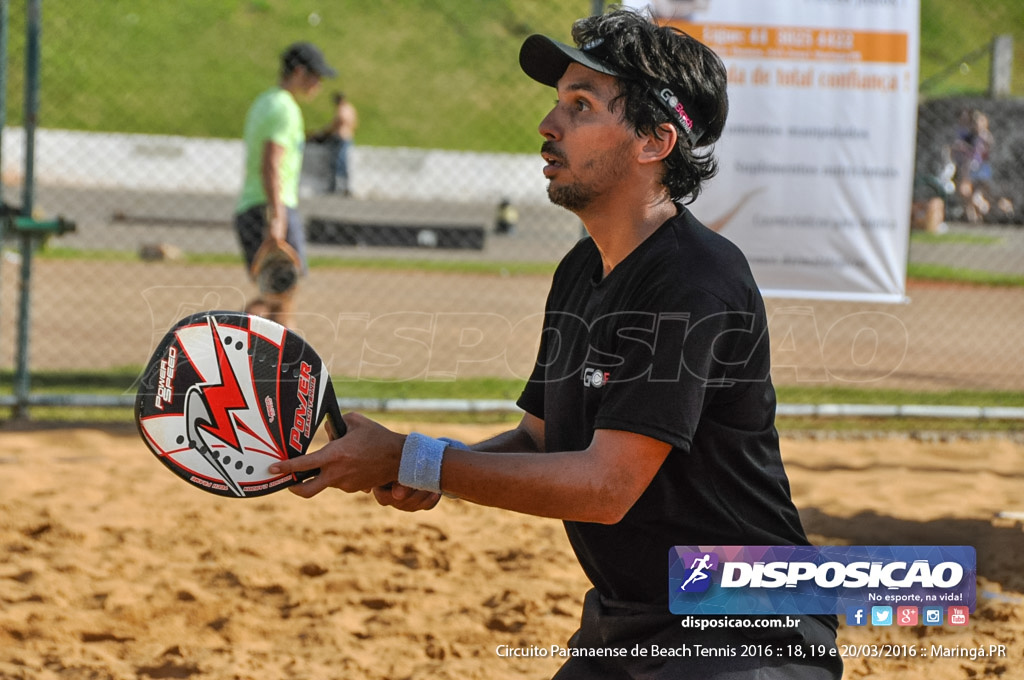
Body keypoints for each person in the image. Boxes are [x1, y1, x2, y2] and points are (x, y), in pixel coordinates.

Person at [268, 9, 842, 679]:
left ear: (655, 141)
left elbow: (605, 487)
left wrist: (415, 458)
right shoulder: (583, 268)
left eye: (580, 105)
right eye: (557, 101)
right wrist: (418, 465)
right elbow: (542, 439)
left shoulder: (696, 276)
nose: (548, 125)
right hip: (626, 622)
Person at [234, 42, 336, 327]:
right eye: (316, 75)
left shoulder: (265, 101)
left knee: (278, 290)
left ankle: (267, 356)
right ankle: (240, 346)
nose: (320, 83)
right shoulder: (285, 109)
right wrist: (277, 215)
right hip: (271, 206)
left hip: (254, 205)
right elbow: (271, 162)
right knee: (282, 290)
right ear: (299, 72)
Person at [314, 91, 359, 195]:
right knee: (343, 162)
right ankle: (344, 186)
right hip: (348, 136)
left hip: (340, 138)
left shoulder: (342, 110)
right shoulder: (351, 109)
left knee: (337, 162)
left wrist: (324, 132)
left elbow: (337, 123)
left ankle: (336, 186)